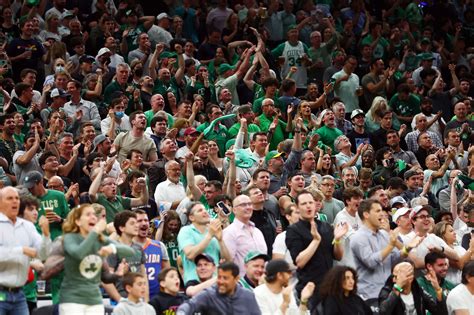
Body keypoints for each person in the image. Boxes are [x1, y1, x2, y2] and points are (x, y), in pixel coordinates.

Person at [59, 204, 135, 314]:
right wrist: (95, 231)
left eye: (94, 215)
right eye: (88, 214)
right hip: (72, 300)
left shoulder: (100, 239)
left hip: (95, 300)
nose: (94, 217)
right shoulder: (70, 238)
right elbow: (79, 253)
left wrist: (112, 248)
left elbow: (130, 251)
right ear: (78, 221)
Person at [285, 190, 348, 311]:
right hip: (310, 288)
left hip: (330, 286)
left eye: (310, 202)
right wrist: (316, 240)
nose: (308, 206)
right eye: (304, 204)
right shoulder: (294, 230)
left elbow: (338, 256)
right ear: (297, 208)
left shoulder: (325, 226)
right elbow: (299, 262)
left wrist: (338, 239)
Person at [0, 187, 49, 315]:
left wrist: (46, 234)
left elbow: (43, 254)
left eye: (16, 198)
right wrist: (22, 250)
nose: (15, 201)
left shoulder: (28, 226)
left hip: (19, 294)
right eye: (10, 198)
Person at [176, 262, 262, 315]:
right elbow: (190, 305)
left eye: (225, 278)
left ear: (236, 279)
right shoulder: (209, 294)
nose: (220, 281)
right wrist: (181, 313)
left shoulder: (248, 296)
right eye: (219, 277)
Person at [378, 261, 448, 315]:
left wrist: (438, 290)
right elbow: (383, 313)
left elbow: (440, 313)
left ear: (410, 278)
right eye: (393, 276)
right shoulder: (387, 291)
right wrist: (397, 288)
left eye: (397, 277)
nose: (393, 280)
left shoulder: (418, 290)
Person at [223, 194, 267, 276]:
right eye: (243, 205)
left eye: (250, 204)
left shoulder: (257, 232)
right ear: (234, 210)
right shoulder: (229, 232)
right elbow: (228, 263)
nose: (248, 207)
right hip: (242, 283)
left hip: (261, 282)